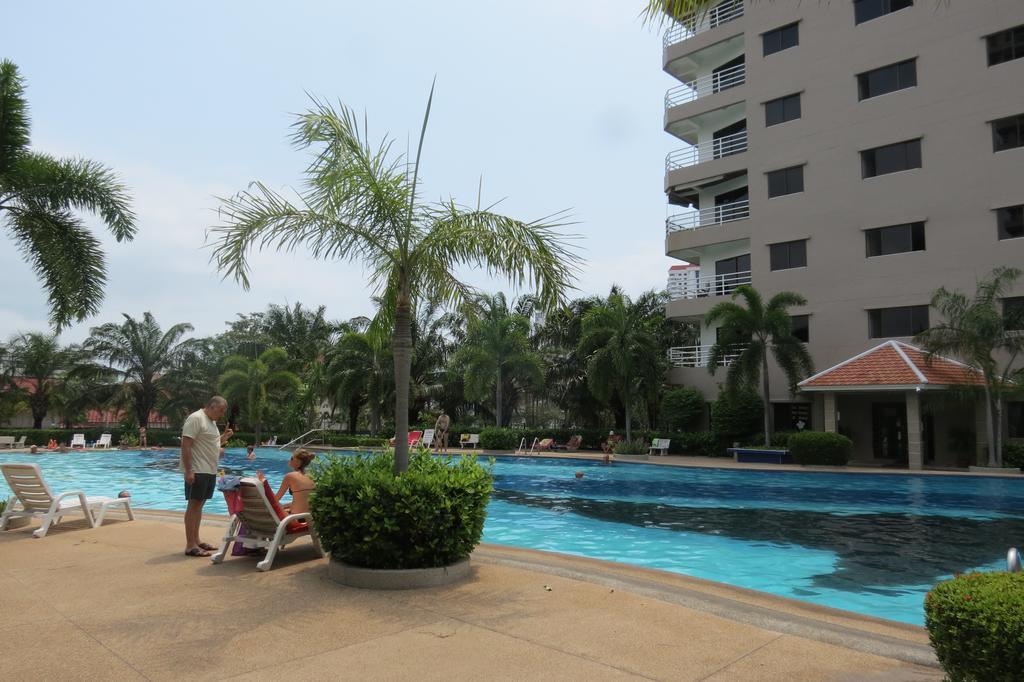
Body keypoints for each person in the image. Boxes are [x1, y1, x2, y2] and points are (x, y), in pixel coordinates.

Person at [180, 396, 233, 557]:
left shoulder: (212, 422)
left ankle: (196, 540)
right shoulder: (196, 418)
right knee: (193, 505)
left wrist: (224, 438)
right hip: (198, 469)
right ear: (211, 406)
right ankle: (190, 545)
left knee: (200, 506)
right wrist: (189, 470)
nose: (222, 414)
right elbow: (186, 444)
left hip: (209, 470)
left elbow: (210, 444)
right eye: (221, 410)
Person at [257, 449, 316, 514]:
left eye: (291, 458)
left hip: (295, 519)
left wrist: (263, 483)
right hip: (309, 517)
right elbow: (302, 500)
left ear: (298, 462)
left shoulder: (290, 476)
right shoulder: (312, 476)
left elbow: (275, 500)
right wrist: (284, 506)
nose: (289, 459)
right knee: (284, 507)